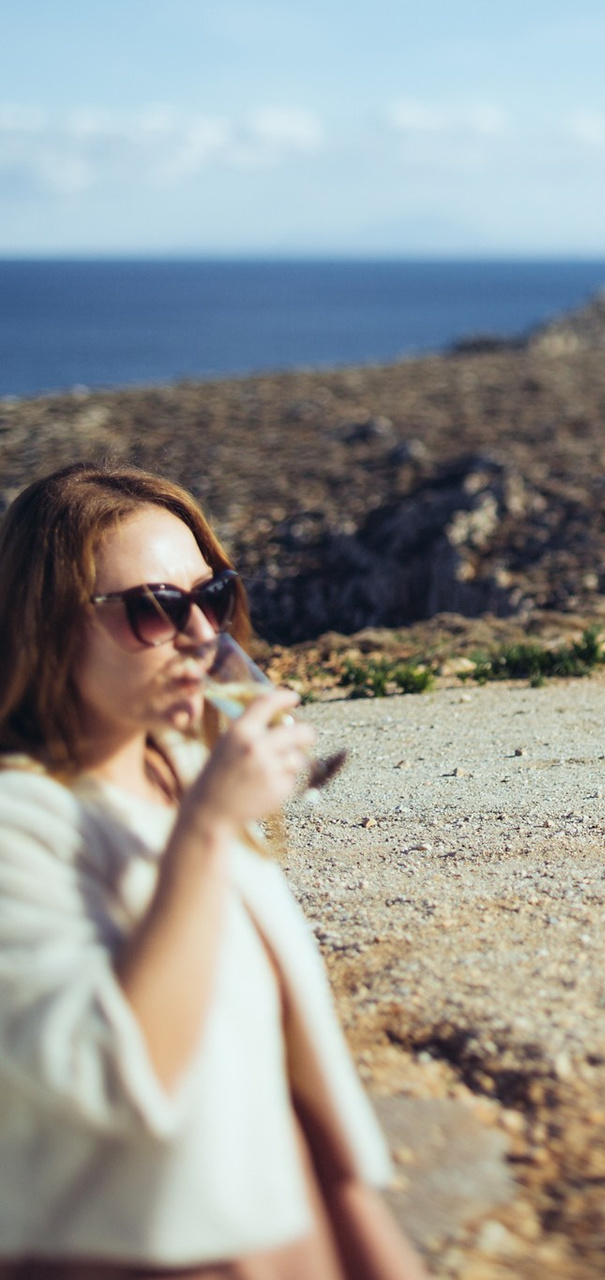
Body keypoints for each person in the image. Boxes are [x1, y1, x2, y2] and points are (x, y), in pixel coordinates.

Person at [0, 463, 425, 1279]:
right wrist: (205, 832)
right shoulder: (23, 821)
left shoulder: (183, 768)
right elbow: (117, 1078)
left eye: (213, 596)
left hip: (275, 1208)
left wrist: (357, 1218)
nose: (199, 633)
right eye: (154, 609)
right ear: (48, 622)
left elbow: (275, 1045)